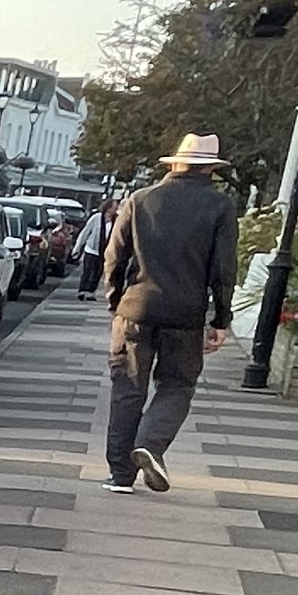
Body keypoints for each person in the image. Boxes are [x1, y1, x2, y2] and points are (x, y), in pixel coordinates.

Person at [101, 134, 236, 492]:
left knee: (128, 388)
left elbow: (114, 257)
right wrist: (221, 320)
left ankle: (120, 476)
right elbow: (223, 270)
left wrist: (116, 301)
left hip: (135, 309)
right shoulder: (219, 207)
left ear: (174, 163)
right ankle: (151, 442)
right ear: (210, 168)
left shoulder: (140, 199)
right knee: (178, 385)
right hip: (186, 315)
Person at [74, 201, 107, 300]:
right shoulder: (96, 218)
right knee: (87, 271)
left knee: (98, 272)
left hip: (104, 251)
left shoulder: (115, 220)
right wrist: (77, 247)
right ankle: (82, 290)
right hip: (91, 249)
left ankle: (91, 292)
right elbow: (85, 232)